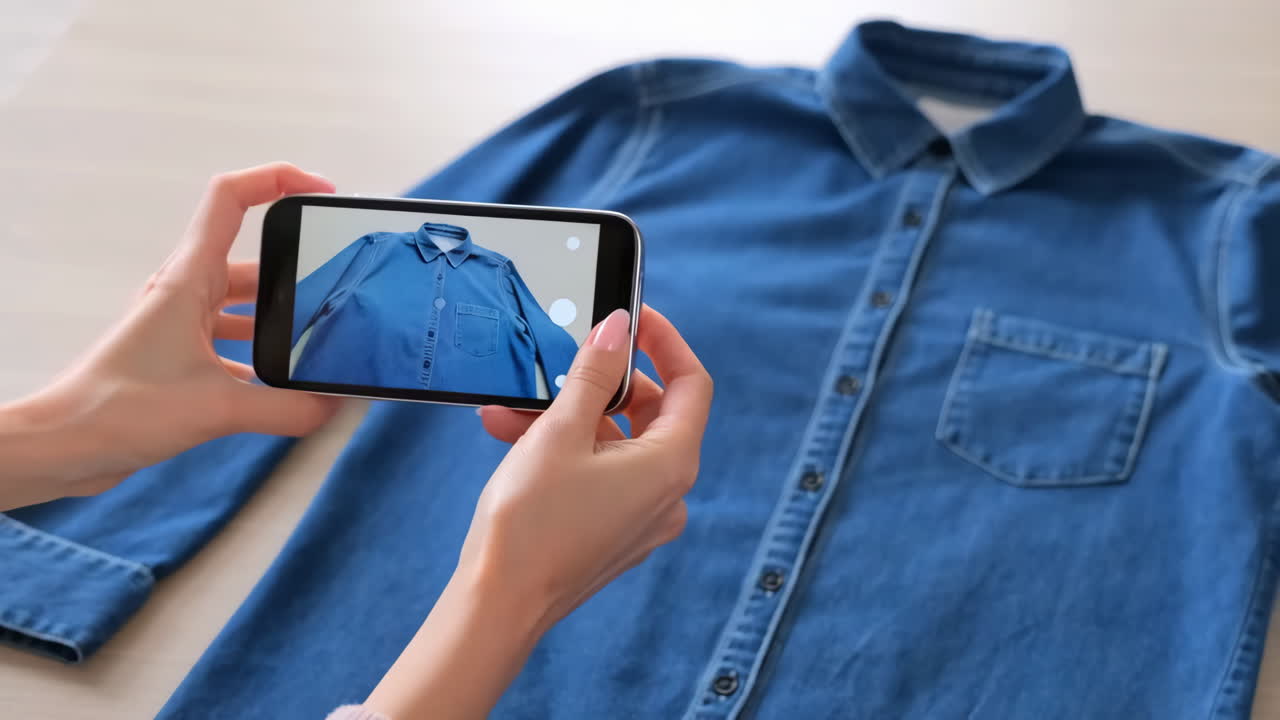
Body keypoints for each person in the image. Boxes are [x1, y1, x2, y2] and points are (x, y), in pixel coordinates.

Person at [0, 163, 714, 720]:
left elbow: (556, 346)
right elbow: (303, 303)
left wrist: (68, 436)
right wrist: (512, 592)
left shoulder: (498, 273)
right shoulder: (375, 248)